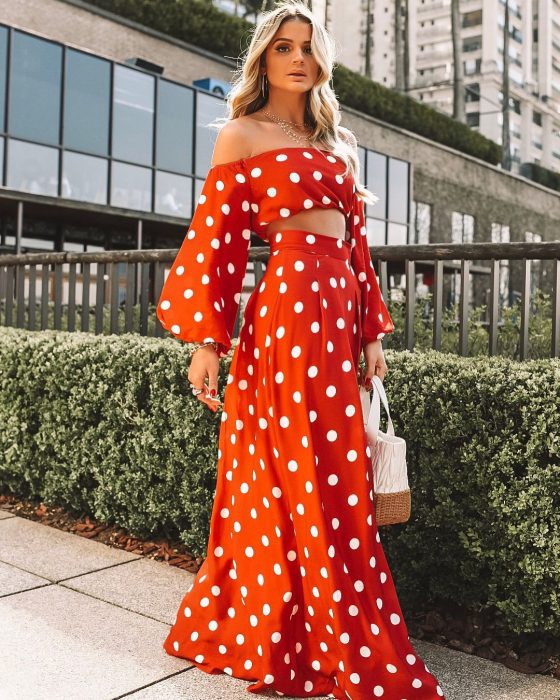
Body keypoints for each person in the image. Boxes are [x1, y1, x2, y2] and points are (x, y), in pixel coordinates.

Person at [156, 2, 446, 698]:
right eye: (282, 46)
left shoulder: (333, 141)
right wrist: (207, 340)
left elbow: (355, 245)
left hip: (337, 315)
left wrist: (372, 331)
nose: (296, 58)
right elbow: (217, 241)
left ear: (321, 61)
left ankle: (324, 622)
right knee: (288, 474)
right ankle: (286, 629)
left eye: (307, 48)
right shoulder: (241, 134)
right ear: (264, 57)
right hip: (286, 318)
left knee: (334, 474)